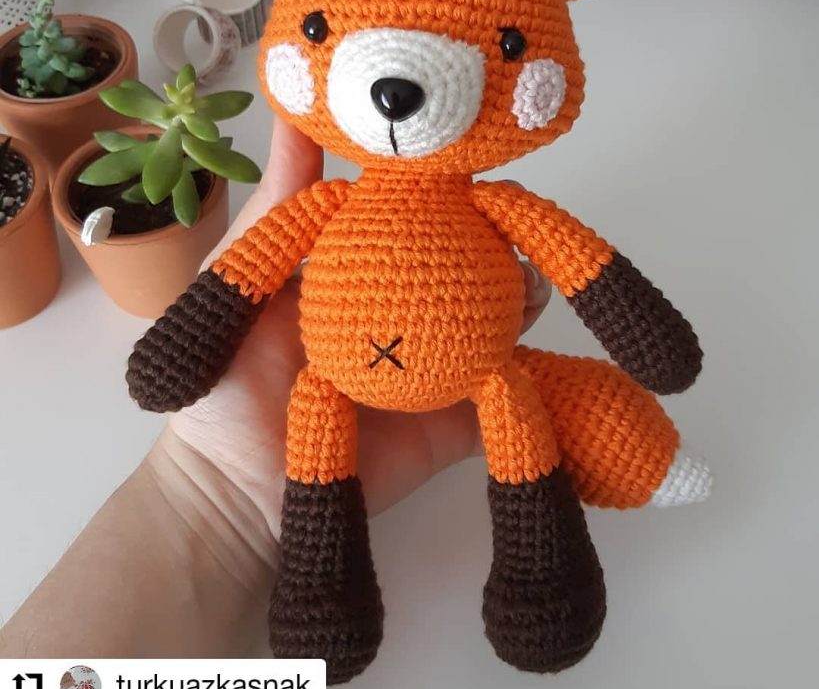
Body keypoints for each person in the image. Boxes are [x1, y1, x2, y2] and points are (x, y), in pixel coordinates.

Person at [0, 120, 550, 658]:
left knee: (510, 413)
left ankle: (543, 579)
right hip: (333, 383)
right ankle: (324, 595)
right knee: (330, 434)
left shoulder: (486, 205)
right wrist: (192, 343)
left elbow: (584, 268)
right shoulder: (329, 203)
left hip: (463, 379)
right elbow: (253, 262)